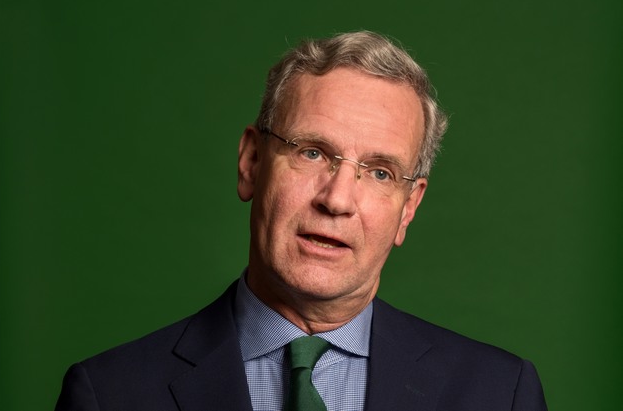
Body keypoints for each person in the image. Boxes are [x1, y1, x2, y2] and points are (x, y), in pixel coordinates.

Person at [55, 31, 547, 411]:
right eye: (312, 152)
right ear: (251, 162)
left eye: (380, 172)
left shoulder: (500, 394)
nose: (337, 200)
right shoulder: (109, 395)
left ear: (409, 207)